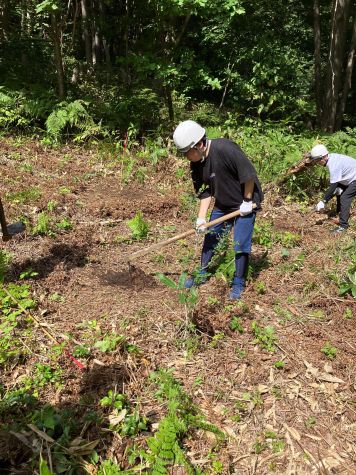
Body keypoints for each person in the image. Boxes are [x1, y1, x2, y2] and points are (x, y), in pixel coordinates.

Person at [173, 120, 263, 300]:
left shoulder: (225, 149)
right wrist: (201, 218)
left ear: (199, 145)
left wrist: (246, 201)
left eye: (187, 153)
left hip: (245, 201)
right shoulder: (196, 163)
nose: (186, 157)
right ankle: (202, 274)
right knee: (211, 237)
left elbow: (248, 175)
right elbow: (205, 193)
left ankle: (238, 283)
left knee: (240, 243)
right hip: (223, 203)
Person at [311, 144, 356, 233]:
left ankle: (343, 226)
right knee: (338, 192)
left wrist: (323, 201)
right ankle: (339, 212)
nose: (317, 162)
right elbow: (335, 185)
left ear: (324, 157)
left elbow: (333, 186)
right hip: (349, 177)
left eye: (317, 160)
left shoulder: (333, 165)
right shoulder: (332, 158)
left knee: (345, 197)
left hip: (354, 178)